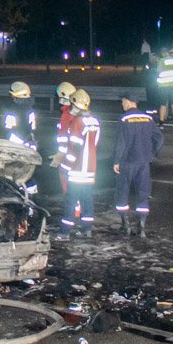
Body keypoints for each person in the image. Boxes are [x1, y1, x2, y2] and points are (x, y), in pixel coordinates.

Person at [50, 88, 101, 239]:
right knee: (87, 200)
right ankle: (86, 229)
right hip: (90, 168)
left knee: (71, 201)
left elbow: (74, 149)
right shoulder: (95, 121)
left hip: (77, 169)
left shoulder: (77, 122)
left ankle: (65, 232)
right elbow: (95, 144)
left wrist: (66, 165)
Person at [112, 92, 163, 238]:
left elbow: (120, 143)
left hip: (127, 162)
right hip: (143, 163)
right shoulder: (148, 118)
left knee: (122, 193)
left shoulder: (124, 119)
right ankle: (141, 228)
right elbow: (159, 138)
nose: (122, 105)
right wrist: (152, 153)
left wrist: (116, 161)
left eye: (123, 102)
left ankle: (125, 225)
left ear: (128, 102)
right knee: (143, 195)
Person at [3, 81, 39, 193]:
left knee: (15, 175)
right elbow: (33, 130)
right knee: (29, 174)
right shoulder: (31, 110)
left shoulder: (11, 111)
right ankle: (32, 200)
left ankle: (18, 199)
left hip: (16, 149)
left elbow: (9, 132)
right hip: (31, 148)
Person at [156, 48, 173, 127]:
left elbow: (158, 72)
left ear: (163, 53)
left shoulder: (162, 61)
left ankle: (161, 123)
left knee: (163, 104)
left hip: (163, 86)